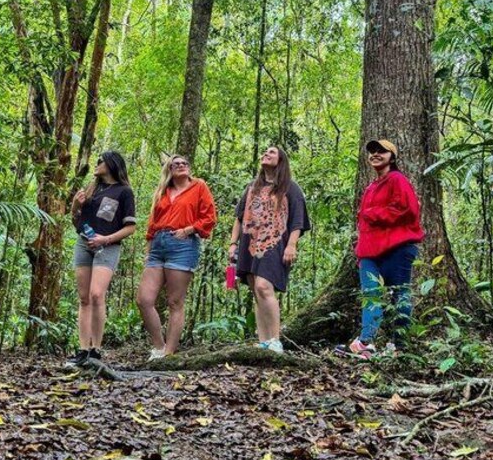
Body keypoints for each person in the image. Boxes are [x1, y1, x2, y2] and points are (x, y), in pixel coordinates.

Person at [336, 139, 425, 360]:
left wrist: (373, 214)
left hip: (397, 247)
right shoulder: (371, 187)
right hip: (369, 251)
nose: (375, 154)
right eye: (372, 151)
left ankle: (399, 345)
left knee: (399, 294)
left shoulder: (397, 179)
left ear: (392, 157)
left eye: (381, 151)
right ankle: (366, 342)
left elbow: (408, 209)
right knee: (371, 294)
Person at [228, 146, 310, 353]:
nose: (266, 153)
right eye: (265, 151)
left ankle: (275, 339)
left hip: (275, 243)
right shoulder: (251, 187)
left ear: (281, 160)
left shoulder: (290, 188)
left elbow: (298, 220)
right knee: (256, 291)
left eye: (272, 152)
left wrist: (292, 245)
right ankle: (264, 341)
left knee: (264, 286)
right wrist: (232, 244)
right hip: (249, 243)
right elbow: (239, 218)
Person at [136, 155, 217, 360]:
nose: (181, 165)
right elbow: (152, 223)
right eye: (176, 164)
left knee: (175, 301)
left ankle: (169, 354)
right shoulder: (163, 191)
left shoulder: (199, 186)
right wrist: (148, 251)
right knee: (144, 300)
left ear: (189, 168)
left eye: (184, 163)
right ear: (169, 170)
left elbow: (209, 217)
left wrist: (188, 230)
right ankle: (158, 347)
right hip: (158, 244)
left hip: (183, 244)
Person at [66, 151, 136, 366]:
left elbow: (131, 227)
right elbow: (76, 221)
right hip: (84, 243)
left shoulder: (124, 192)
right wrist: (76, 205)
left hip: (108, 246)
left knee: (97, 294)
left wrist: (105, 239)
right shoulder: (92, 188)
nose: (96, 164)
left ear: (112, 164)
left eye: (100, 161)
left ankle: (96, 349)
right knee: (84, 298)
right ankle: (82, 350)